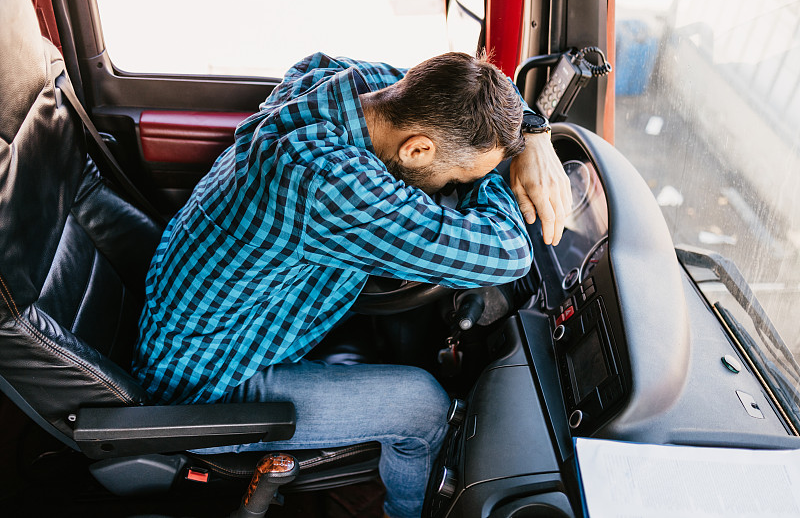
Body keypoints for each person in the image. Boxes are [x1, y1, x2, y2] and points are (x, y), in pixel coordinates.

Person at [133, 51, 570, 518]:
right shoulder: (326, 184)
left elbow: (459, 86)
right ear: (417, 149)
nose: (458, 185)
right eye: (461, 178)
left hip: (192, 329)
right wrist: (505, 168)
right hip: (207, 385)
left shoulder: (336, 81)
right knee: (423, 409)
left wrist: (532, 132)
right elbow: (508, 254)